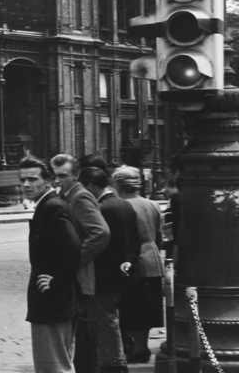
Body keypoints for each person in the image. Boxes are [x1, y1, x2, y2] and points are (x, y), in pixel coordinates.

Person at [21, 155, 82, 373]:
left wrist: (56, 283)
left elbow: (73, 247)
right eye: (22, 180)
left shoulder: (51, 207)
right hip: (55, 301)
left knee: (53, 366)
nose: (26, 184)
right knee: (60, 362)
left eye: (32, 179)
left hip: (52, 301)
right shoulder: (48, 205)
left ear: (47, 180)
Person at [52, 154, 110, 373]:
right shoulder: (66, 195)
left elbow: (100, 233)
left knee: (81, 334)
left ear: (76, 175)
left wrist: (74, 260)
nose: (57, 180)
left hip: (78, 275)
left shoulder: (80, 197)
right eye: (54, 175)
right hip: (72, 275)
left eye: (63, 176)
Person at [79, 164, 133, 373]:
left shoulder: (101, 209)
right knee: (111, 320)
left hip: (101, 276)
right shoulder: (124, 204)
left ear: (91, 186)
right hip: (119, 273)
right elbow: (134, 240)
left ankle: (113, 363)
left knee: (104, 323)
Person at [111, 167, 164, 364]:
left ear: (118, 184)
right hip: (153, 260)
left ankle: (135, 348)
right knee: (148, 308)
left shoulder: (120, 206)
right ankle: (142, 347)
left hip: (133, 263)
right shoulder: (152, 204)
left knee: (132, 308)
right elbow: (158, 235)